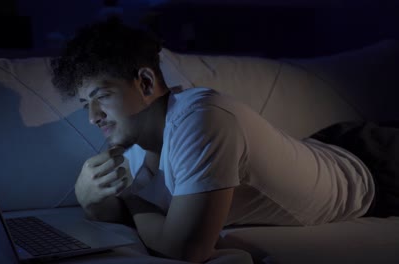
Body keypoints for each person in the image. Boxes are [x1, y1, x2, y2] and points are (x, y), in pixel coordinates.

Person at [50, 19, 375, 262]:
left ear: (146, 83)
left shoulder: (200, 119)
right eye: (84, 105)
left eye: (102, 96)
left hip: (370, 166)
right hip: (322, 148)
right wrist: (89, 198)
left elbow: (186, 248)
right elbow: (123, 216)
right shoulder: (129, 139)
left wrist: (135, 200)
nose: (93, 117)